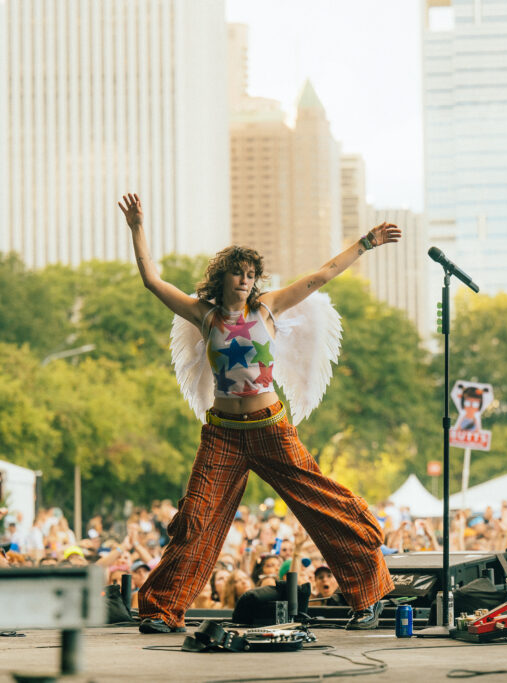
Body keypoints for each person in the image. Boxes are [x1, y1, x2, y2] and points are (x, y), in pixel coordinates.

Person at [119, 193, 399, 634]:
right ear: (223, 277)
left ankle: (369, 595)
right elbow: (153, 281)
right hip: (222, 434)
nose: (246, 280)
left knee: (320, 504)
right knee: (196, 516)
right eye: (239, 273)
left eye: (252, 274)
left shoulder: (269, 308)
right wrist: (137, 226)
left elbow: (322, 275)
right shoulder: (204, 315)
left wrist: (366, 242)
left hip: (271, 428)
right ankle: (160, 610)